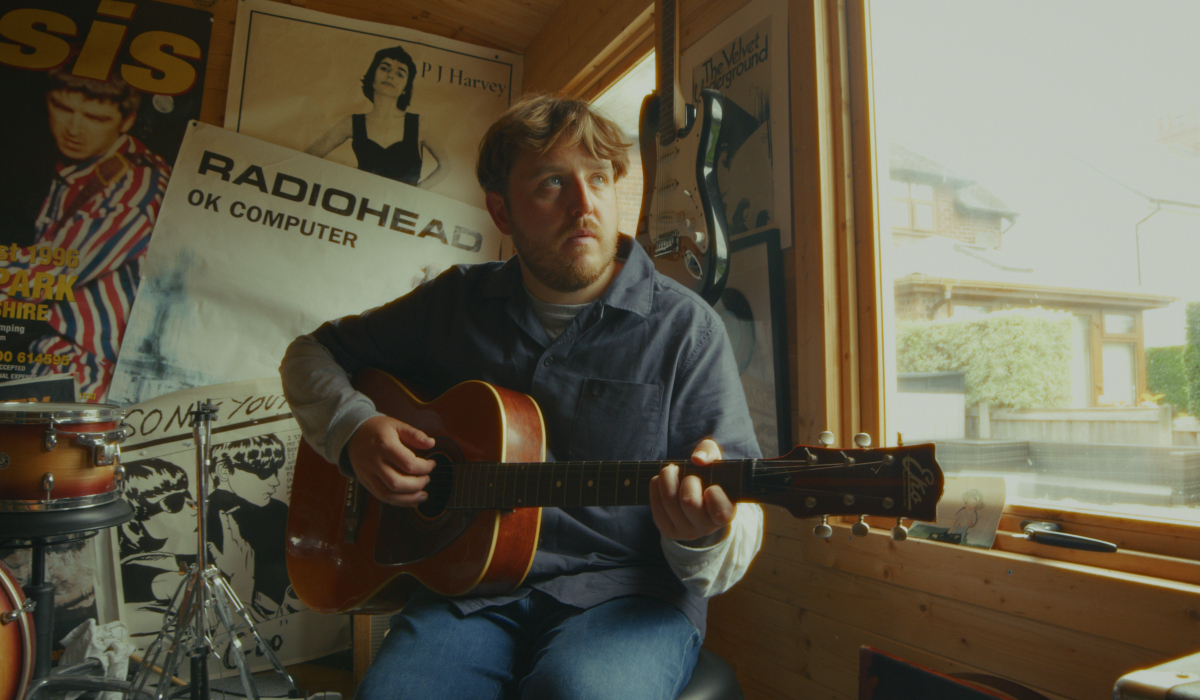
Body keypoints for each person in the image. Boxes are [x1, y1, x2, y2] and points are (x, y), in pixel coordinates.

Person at [280, 94, 764, 700]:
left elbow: (736, 517)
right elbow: (310, 355)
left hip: (629, 597)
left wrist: (703, 535)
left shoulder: (686, 332)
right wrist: (353, 430)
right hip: (468, 594)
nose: (584, 206)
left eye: (598, 180)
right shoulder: (454, 304)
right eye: (551, 183)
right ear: (501, 211)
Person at [5, 67, 171, 401]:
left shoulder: (138, 186)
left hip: (90, 374)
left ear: (125, 122)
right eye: (64, 109)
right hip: (47, 354)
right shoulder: (82, 172)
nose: (74, 129)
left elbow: (49, 273)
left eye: (95, 118)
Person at [306, 45, 446, 188]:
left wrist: (417, 192)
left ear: (405, 88)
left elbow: (445, 166)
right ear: (372, 76)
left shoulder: (419, 124)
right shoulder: (352, 123)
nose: (390, 75)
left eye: (400, 74)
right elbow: (308, 156)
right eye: (384, 69)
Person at [206, 434, 293, 620]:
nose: (275, 482)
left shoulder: (277, 509)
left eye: (275, 471)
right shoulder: (209, 516)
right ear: (223, 470)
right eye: (263, 472)